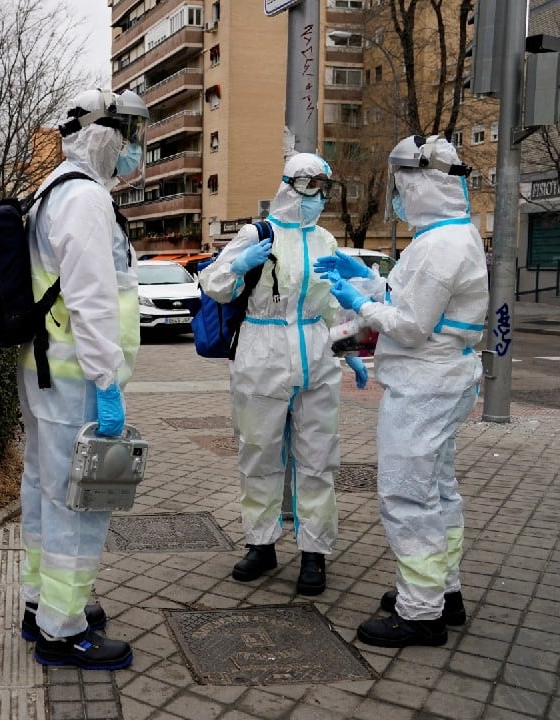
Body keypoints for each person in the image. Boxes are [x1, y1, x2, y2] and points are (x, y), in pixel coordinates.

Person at [316, 134, 488, 648]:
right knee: (437, 491)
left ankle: (420, 613)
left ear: (422, 185)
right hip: (441, 377)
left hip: (423, 384)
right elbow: (417, 303)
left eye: (402, 185)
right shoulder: (454, 234)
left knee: (407, 496)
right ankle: (442, 591)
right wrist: (369, 283)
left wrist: (357, 301)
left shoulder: (440, 246)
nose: (397, 196)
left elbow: (410, 327)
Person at [17, 88, 148, 671]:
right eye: (129, 137)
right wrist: (108, 383)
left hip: (47, 372)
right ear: (104, 135)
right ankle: (63, 631)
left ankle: (41, 603)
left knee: (45, 490)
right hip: (77, 380)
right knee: (79, 501)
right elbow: (92, 300)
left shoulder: (50, 191)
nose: (133, 150)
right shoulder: (85, 200)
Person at [198, 153, 365, 598]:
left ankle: (314, 552)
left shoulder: (325, 240)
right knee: (259, 453)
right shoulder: (258, 233)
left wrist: (349, 350)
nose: (318, 196)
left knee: (318, 457)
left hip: (316, 354)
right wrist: (237, 265)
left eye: (325, 188)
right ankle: (261, 542)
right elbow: (212, 283)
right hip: (262, 352)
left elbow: (332, 303)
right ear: (289, 184)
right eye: (310, 185)